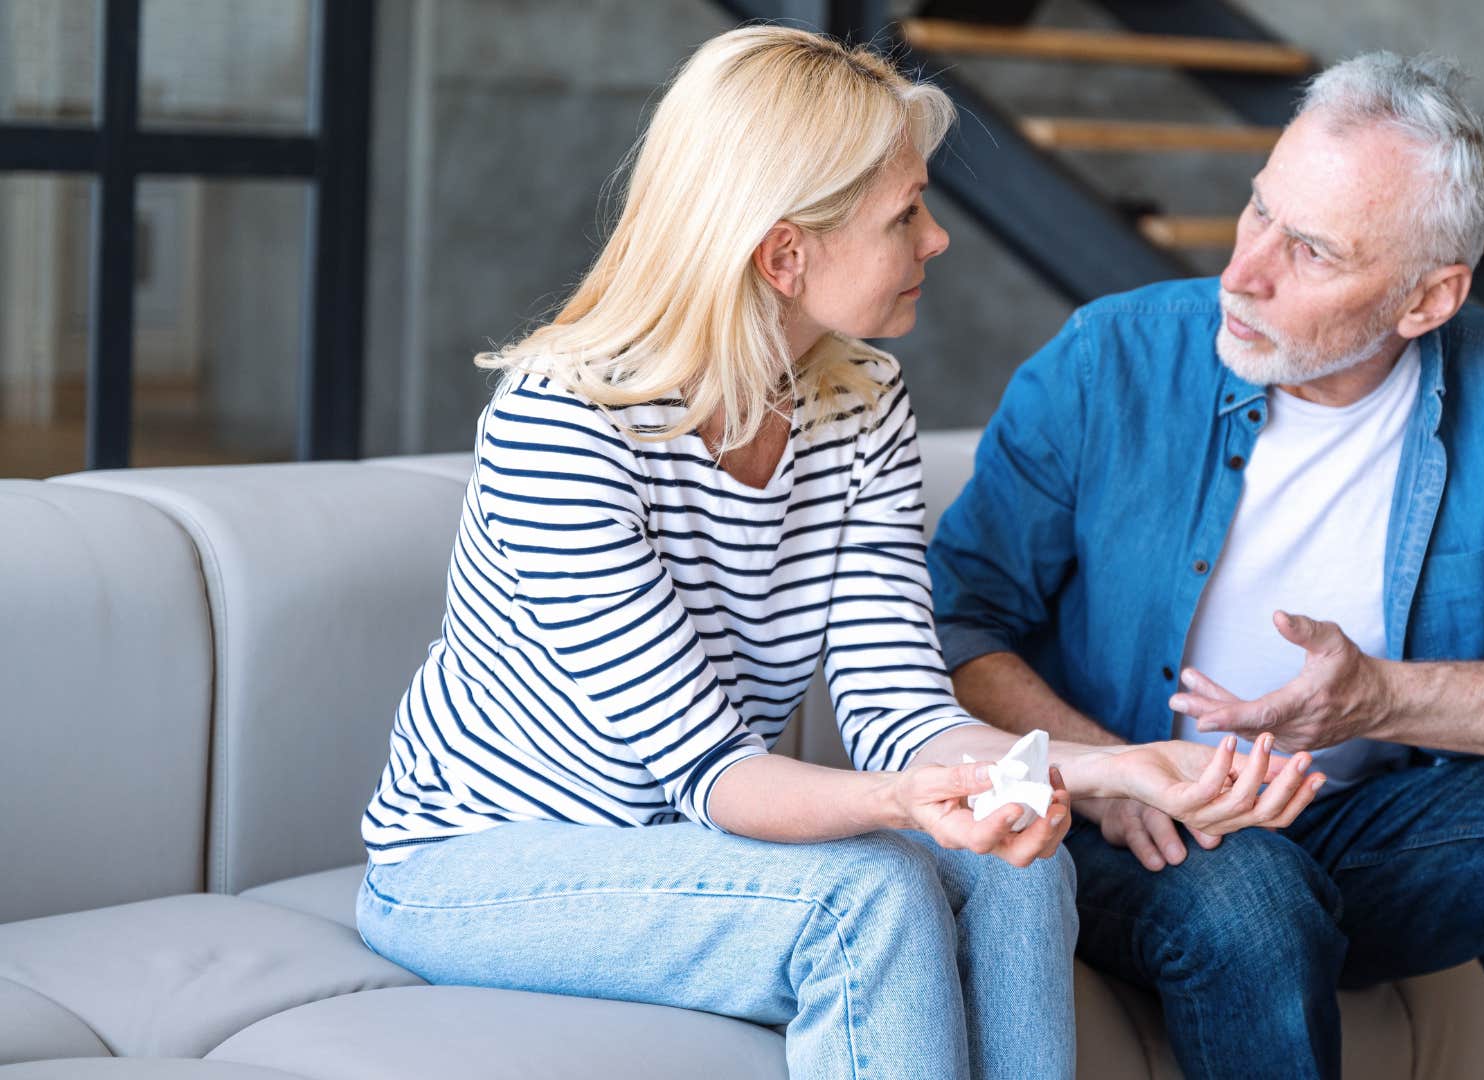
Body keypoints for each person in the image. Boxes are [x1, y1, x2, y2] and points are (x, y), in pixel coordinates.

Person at [355, 26, 1320, 1080]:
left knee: (1015, 859)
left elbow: (900, 710)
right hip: (476, 865)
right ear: (784, 254)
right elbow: (712, 775)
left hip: (693, 845)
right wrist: (904, 805)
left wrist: (1116, 770)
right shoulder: (563, 428)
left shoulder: (859, 403)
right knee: (872, 894)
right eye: (905, 213)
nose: (938, 238)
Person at [928, 52, 1484, 1080]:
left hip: (1369, 833)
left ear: (1428, 300)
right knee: (1246, 892)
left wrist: (1375, 698)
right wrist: (1116, 776)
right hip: (1130, 825)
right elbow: (958, 621)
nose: (1244, 272)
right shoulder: (1107, 358)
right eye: (1257, 211)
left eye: (1313, 251)